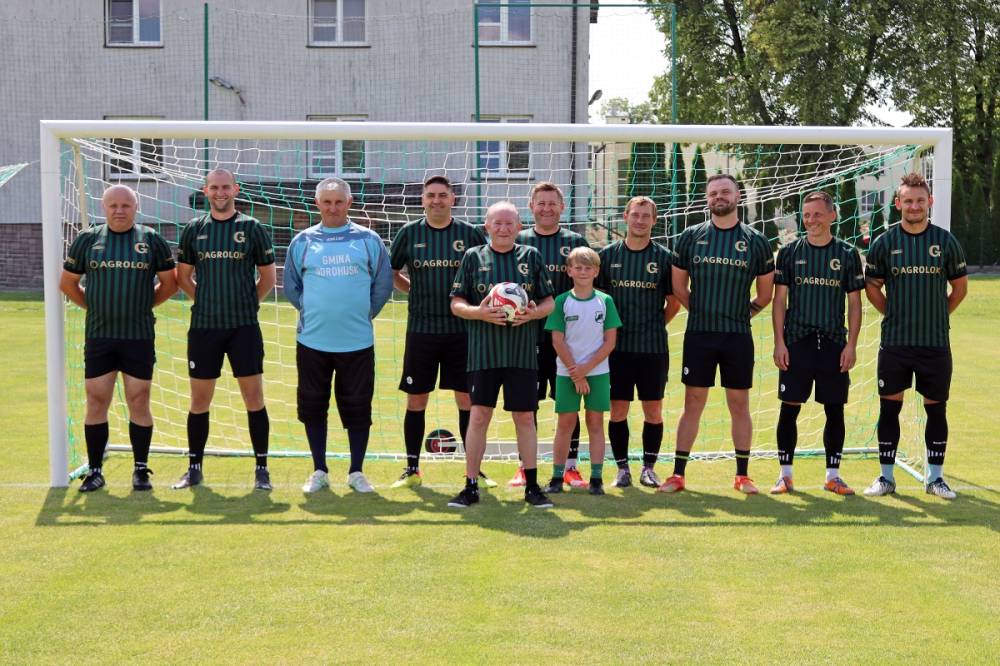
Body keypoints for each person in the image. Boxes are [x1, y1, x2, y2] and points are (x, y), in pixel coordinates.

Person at [660, 174, 774, 495]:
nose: (719, 197)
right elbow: (679, 287)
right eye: (713, 193)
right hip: (700, 335)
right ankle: (678, 474)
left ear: (737, 196)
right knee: (693, 403)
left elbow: (765, 295)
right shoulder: (690, 236)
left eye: (725, 192)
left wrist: (741, 314)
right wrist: (702, 311)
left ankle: (742, 475)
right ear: (707, 199)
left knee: (739, 404)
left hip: (737, 337)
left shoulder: (756, 241)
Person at [60, 185, 177, 492]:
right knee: (96, 400)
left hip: (138, 336)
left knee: (139, 399)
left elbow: (169, 283)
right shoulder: (87, 240)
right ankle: (95, 470)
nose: (119, 210)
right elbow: (68, 283)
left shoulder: (151, 240)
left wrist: (143, 305)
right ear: (104, 208)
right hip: (100, 336)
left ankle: (140, 469)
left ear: (135, 207)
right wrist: (94, 306)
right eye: (113, 205)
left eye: (126, 205)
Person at [863, 172, 968, 499]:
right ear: (898, 204)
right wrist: (892, 313)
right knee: (889, 409)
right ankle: (886, 477)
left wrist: (937, 315)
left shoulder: (946, 242)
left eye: (920, 200)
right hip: (895, 343)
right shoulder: (884, 243)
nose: (914, 206)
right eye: (908, 200)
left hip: (935, 343)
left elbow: (960, 289)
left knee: (936, 410)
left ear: (929, 202)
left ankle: (935, 479)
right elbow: (872, 287)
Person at [285, 177, 393, 494]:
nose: (333, 208)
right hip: (312, 341)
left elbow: (382, 286)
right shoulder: (303, 242)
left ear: (349, 203)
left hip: (357, 342)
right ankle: (319, 470)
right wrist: (316, 312)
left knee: (358, 407)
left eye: (339, 202)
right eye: (327, 202)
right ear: (317, 204)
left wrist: (360, 313)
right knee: (313, 406)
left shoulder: (368, 240)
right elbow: (292, 287)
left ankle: (356, 471)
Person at [173, 168, 276, 491]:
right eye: (214, 187)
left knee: (253, 397)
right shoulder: (194, 229)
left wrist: (246, 304)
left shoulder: (252, 228)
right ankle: (194, 468)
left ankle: (262, 470)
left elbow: (268, 277)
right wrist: (206, 300)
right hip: (204, 328)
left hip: (244, 328)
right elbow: (183, 277)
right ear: (205, 191)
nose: (220, 192)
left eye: (226, 187)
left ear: (236, 189)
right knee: (199, 399)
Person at [448, 201, 555, 508]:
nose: (504, 228)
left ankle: (532, 486)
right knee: (479, 416)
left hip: (522, 354)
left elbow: (549, 302)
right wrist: (479, 312)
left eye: (510, 223)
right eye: (498, 223)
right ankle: (470, 486)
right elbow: (456, 303)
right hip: (484, 354)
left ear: (519, 226)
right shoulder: (473, 256)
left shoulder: (531, 256)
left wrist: (533, 314)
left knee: (525, 417)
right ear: (487, 226)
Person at [387, 175, 492, 489]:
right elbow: (392, 272)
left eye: (442, 195)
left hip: (463, 331)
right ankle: (412, 469)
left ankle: (474, 471)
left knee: (467, 400)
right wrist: (415, 291)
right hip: (422, 329)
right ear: (423, 200)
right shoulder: (409, 233)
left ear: (452, 199)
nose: (436, 200)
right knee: (417, 399)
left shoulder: (470, 233)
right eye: (431, 195)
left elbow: (486, 272)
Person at [770, 191, 864, 495]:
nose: (811, 220)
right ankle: (785, 475)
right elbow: (779, 301)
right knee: (789, 409)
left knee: (834, 410)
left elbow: (855, 303)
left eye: (818, 214)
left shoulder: (847, 254)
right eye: (807, 215)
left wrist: (851, 345)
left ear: (832, 216)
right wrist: (779, 342)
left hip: (834, 344)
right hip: (797, 342)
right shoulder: (789, 253)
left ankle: (832, 476)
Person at [596, 196, 679, 488]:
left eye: (646, 216)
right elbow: (599, 302)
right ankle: (622, 469)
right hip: (616, 349)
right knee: (618, 410)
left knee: (653, 410)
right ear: (626, 217)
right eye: (635, 215)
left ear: (654, 221)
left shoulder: (665, 258)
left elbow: (673, 303)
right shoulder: (607, 256)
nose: (640, 220)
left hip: (652, 348)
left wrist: (653, 325)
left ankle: (648, 468)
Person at [510, 181, 589, 488]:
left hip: (567, 340)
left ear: (562, 207)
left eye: (552, 203)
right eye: (540, 203)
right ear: (531, 207)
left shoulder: (575, 241)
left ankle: (570, 466)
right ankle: (524, 466)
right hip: (525, 338)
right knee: (526, 405)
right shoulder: (518, 240)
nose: (546, 208)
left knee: (567, 404)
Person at [542, 246, 621, 495]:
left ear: (596, 271)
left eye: (588, 268)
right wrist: (575, 372)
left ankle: (596, 478)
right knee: (565, 423)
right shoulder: (561, 302)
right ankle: (557, 477)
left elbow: (610, 342)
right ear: (569, 271)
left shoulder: (605, 301)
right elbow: (557, 341)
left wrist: (585, 369)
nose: (583, 272)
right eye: (578, 267)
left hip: (597, 373)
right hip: (566, 373)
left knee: (595, 422)